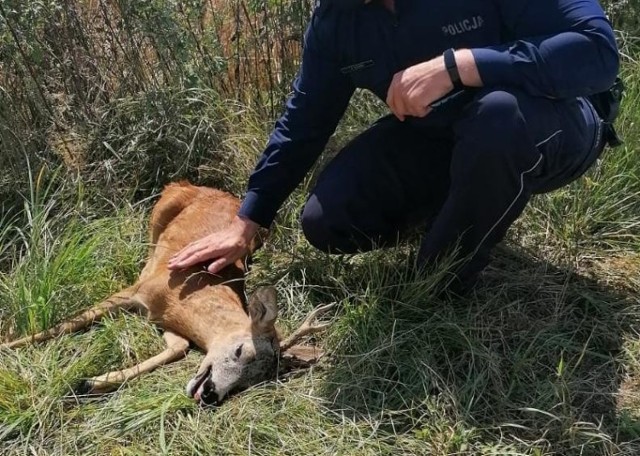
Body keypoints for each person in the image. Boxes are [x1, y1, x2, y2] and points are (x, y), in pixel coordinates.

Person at [168, 0, 620, 292]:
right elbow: (306, 119)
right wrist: (250, 219)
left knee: (497, 117)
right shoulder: (337, 20)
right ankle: (465, 213)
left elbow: (595, 53)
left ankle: (441, 278)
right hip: (443, 134)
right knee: (328, 220)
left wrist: (460, 65)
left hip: (559, 121)